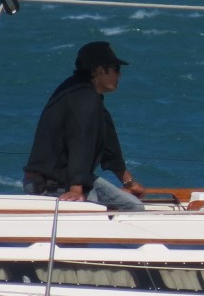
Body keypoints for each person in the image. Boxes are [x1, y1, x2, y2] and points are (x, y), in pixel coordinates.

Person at [24, 41, 146, 211]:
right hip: (52, 185)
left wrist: (128, 182)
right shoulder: (84, 100)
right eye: (116, 69)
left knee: (133, 206)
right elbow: (80, 142)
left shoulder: (87, 94)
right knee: (98, 215)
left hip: (74, 179)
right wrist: (76, 189)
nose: (119, 75)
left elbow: (110, 146)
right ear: (98, 70)